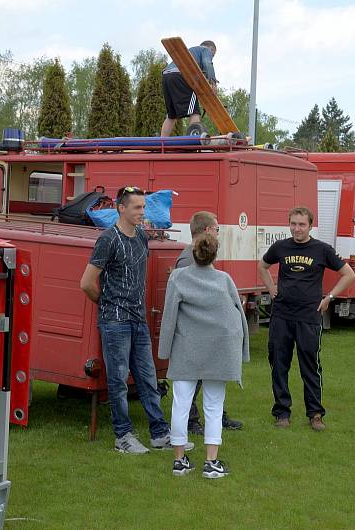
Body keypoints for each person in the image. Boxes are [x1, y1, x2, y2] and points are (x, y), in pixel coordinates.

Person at [80, 186, 193, 454]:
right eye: (137, 207)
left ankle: (160, 434)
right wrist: (108, 304)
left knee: (147, 378)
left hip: (138, 320)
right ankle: (123, 437)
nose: (143, 212)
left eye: (143, 207)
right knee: (118, 381)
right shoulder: (108, 239)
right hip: (115, 322)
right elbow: (86, 283)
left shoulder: (142, 237)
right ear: (121, 208)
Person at [159, 233, 249, 478]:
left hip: (186, 350)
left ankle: (179, 461)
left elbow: (169, 317)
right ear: (214, 254)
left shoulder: (178, 277)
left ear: (193, 253)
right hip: (219, 350)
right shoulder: (224, 280)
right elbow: (238, 316)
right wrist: (242, 350)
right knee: (213, 405)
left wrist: (163, 351)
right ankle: (211, 462)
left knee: (181, 404)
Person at [258, 206, 355, 431]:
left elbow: (348, 274)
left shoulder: (322, 250)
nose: (297, 229)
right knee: (279, 364)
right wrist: (271, 289)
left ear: (310, 226)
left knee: (310, 366)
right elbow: (263, 266)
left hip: (309, 317)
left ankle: (315, 414)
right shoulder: (280, 247)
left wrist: (329, 297)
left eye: (301, 224)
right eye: (293, 224)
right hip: (282, 315)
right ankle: (282, 412)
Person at [175, 211, 244, 434]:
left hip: (208, 334)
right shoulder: (188, 260)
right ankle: (191, 421)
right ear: (206, 230)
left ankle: (215, 416)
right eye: (216, 229)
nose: (218, 233)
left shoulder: (197, 255)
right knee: (191, 384)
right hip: (197, 336)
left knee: (207, 380)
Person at [161, 40, 217, 137]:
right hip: (181, 75)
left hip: (166, 76)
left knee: (171, 115)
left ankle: (161, 143)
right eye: (213, 55)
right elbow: (207, 63)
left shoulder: (191, 51)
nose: (212, 57)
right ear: (211, 49)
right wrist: (213, 82)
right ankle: (192, 142)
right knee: (194, 112)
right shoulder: (206, 50)